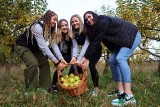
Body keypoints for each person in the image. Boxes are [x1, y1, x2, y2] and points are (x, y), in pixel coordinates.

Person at [81, 11, 141, 106]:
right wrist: (84, 57)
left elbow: (97, 41)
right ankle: (120, 91)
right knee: (112, 61)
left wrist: (87, 59)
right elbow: (93, 43)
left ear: (94, 15)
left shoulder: (103, 21)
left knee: (120, 58)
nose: (88, 20)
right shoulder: (96, 29)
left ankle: (129, 95)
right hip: (121, 42)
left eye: (89, 16)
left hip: (132, 36)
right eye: (86, 19)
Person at [14, 10, 60, 90]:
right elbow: (42, 46)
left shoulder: (50, 30)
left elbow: (54, 45)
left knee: (45, 63)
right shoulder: (38, 27)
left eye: (56, 20)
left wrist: (60, 59)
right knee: (33, 64)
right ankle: (30, 90)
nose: (55, 22)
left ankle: (45, 89)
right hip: (22, 46)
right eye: (54, 19)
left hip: (33, 48)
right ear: (48, 18)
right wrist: (54, 60)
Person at [69, 14, 101, 97]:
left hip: (95, 50)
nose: (74, 23)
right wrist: (74, 59)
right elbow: (75, 47)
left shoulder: (86, 30)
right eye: (72, 22)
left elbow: (86, 45)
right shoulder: (72, 33)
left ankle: (96, 88)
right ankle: (83, 86)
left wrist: (80, 60)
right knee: (78, 66)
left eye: (76, 21)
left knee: (91, 65)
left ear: (80, 21)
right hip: (86, 51)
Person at [48, 19, 78, 93]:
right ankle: (53, 85)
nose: (65, 27)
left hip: (66, 54)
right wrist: (60, 60)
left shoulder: (71, 35)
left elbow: (74, 47)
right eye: (62, 26)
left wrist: (74, 66)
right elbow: (55, 49)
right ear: (59, 28)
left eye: (66, 25)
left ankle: (69, 82)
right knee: (60, 67)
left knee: (71, 61)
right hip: (55, 55)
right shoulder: (55, 36)